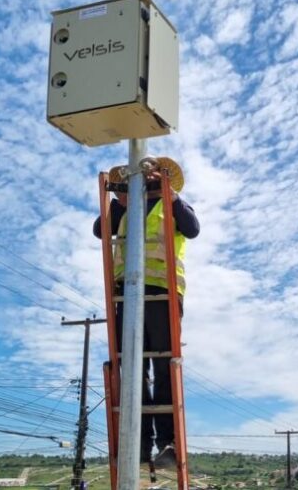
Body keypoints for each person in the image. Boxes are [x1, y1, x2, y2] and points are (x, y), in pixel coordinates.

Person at [93, 157, 200, 468]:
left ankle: (168, 443)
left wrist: (168, 193)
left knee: (164, 364)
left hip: (163, 293)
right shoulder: (126, 210)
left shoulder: (174, 205)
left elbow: (192, 229)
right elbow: (100, 230)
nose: (148, 185)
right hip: (127, 295)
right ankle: (138, 443)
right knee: (133, 370)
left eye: (154, 180)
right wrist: (120, 199)